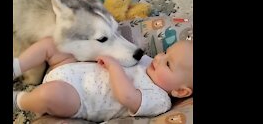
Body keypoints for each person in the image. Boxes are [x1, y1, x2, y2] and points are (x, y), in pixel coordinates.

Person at [13, 37, 193, 122]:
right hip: (71, 66)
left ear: (180, 91)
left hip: (77, 98)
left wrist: (114, 67)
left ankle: (20, 100)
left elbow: (127, 97)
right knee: (53, 44)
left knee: (50, 95)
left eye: (168, 64)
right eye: (164, 52)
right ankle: (17, 66)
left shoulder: (159, 99)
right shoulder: (148, 63)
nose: (159, 58)